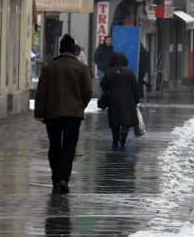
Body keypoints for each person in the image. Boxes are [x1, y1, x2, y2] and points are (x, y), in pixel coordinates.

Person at [34, 34, 92, 194]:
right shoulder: (81, 68)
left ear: (60, 50)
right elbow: (88, 91)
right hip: (73, 114)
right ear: (74, 51)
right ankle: (63, 178)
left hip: (52, 114)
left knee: (54, 146)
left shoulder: (49, 67)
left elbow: (41, 92)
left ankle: (55, 176)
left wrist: (40, 112)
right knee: (69, 146)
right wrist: (81, 105)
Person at [101, 52, 140, 150]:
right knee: (126, 119)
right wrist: (136, 99)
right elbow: (135, 86)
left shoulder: (109, 71)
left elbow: (103, 85)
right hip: (128, 97)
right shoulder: (129, 71)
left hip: (113, 98)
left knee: (115, 120)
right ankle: (124, 133)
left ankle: (115, 140)